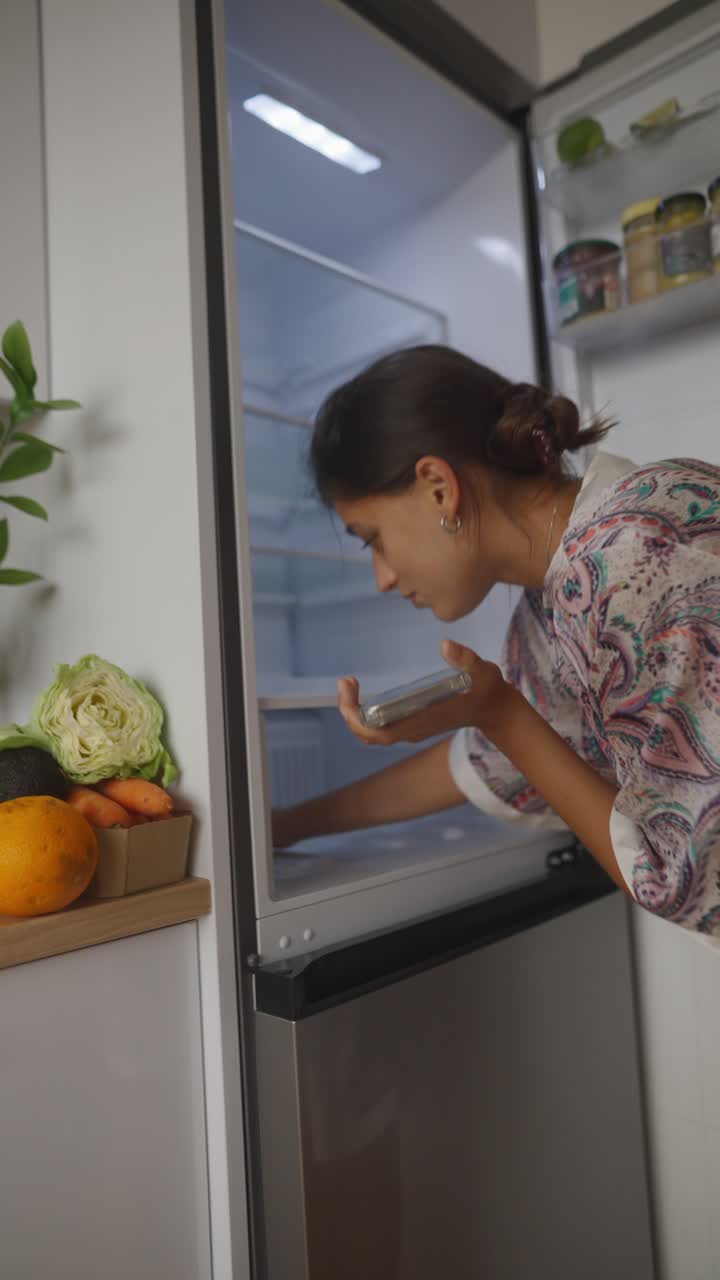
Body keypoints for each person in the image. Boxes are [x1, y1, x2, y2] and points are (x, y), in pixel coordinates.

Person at [272, 344, 720, 943]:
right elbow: (491, 761)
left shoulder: (632, 562)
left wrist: (498, 712)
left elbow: (687, 879)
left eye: (372, 538)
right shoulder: (562, 592)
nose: (381, 576)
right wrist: (283, 828)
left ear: (437, 487)